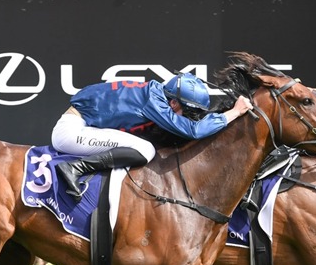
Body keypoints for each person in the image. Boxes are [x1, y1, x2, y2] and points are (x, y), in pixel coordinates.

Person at [52, 73, 254, 201]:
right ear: (174, 103)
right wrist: (234, 113)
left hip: (84, 127)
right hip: (72, 132)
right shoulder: (155, 104)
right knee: (145, 150)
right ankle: (75, 167)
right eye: (187, 111)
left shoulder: (157, 94)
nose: (188, 117)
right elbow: (194, 130)